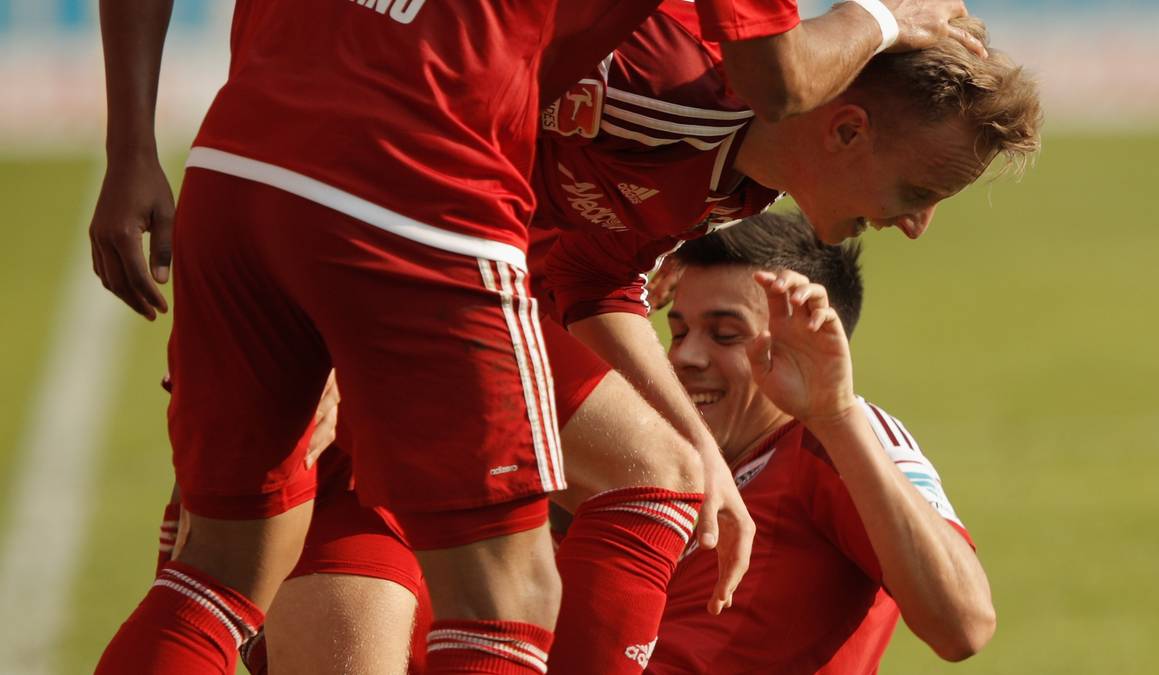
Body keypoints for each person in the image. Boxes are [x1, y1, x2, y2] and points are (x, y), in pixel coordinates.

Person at [89, 0, 991, 670]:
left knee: (217, 578)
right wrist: (885, 15)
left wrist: (131, 142)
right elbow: (779, 73)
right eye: (920, 195)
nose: (917, 225)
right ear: (847, 128)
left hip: (243, 169)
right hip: (408, 208)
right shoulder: (681, 81)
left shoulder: (712, 174)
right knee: (547, 568)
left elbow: (592, 272)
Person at [647, 210, 995, 673]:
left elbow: (963, 625)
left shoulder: (833, 444)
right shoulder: (673, 455)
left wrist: (836, 415)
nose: (685, 356)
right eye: (679, 332)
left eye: (725, 335)